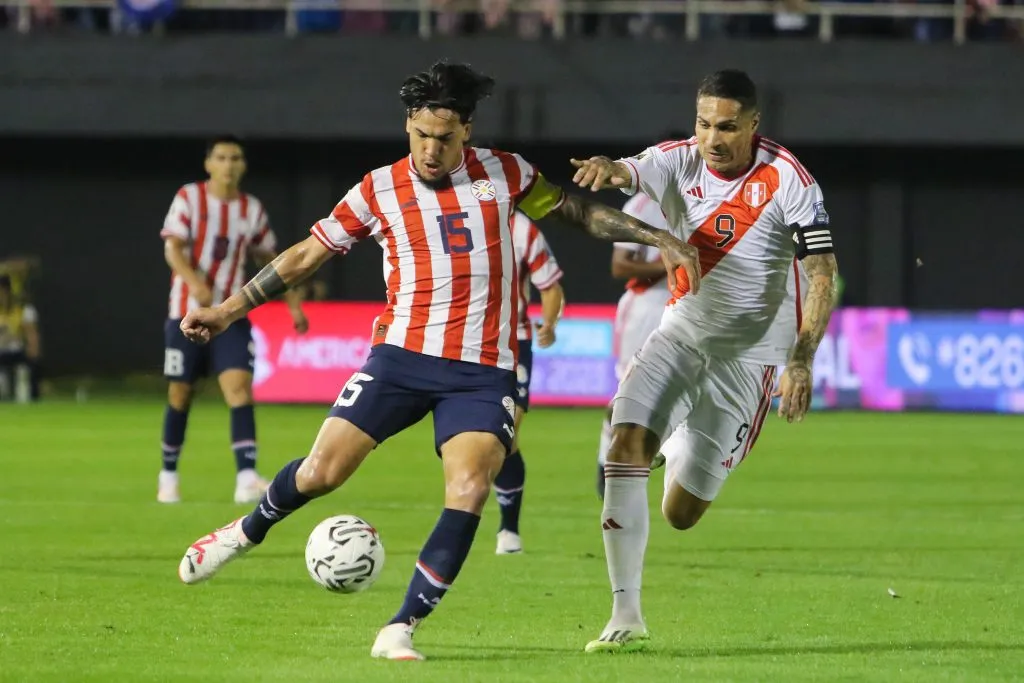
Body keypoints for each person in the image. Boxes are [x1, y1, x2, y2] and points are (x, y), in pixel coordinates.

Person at [173, 60, 700, 662]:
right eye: (421, 135)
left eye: (445, 138)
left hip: (481, 373)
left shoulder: (507, 175)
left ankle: (400, 627)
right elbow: (303, 257)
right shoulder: (378, 189)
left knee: (470, 486)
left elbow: (577, 213)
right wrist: (228, 310)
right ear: (408, 126)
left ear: (467, 132)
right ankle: (243, 532)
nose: (431, 149)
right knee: (322, 473)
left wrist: (653, 236)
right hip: (399, 358)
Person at [569, 69, 839, 652]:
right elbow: (631, 169)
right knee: (622, 443)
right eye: (703, 124)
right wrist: (611, 169)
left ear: (753, 125)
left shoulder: (789, 179)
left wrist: (801, 359)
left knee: (681, 514)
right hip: (680, 335)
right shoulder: (678, 160)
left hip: (749, 359)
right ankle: (626, 615)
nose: (712, 138)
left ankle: (676, 440)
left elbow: (821, 272)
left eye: (726, 127)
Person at [158, 135, 309, 505]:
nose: (229, 164)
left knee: (240, 389)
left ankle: (246, 475)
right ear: (209, 163)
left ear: (243, 165)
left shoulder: (250, 209)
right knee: (180, 394)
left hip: (230, 316)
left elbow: (269, 259)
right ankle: (168, 475)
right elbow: (172, 247)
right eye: (221, 157)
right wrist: (194, 282)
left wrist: (292, 303)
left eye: (235, 158)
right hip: (186, 313)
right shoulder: (189, 198)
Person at [595, 130, 689, 499]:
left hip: (687, 307)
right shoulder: (642, 205)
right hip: (646, 306)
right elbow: (620, 265)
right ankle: (607, 462)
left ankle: (662, 460)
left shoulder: (703, 202)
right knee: (625, 393)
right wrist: (669, 265)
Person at [493, 210, 565, 555]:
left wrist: (549, 323)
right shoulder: (446, 216)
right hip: (459, 342)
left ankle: (508, 529)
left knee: (507, 433)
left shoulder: (520, 229)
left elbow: (550, 286)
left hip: (513, 343)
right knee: (476, 441)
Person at [0, 274, 41, 402]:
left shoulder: (23, 310)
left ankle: (33, 398)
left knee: (32, 363)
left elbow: (31, 334)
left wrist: (33, 349)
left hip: (16, 351)